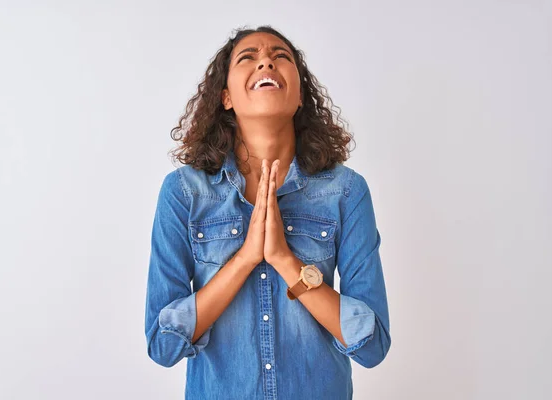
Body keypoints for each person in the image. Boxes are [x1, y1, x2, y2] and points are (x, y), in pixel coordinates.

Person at [144, 25, 391, 400]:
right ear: (225, 97)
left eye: (280, 57)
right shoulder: (183, 193)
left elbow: (372, 345)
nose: (265, 62)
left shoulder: (346, 191)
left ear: (300, 96)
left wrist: (284, 261)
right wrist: (245, 259)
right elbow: (163, 345)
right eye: (249, 57)